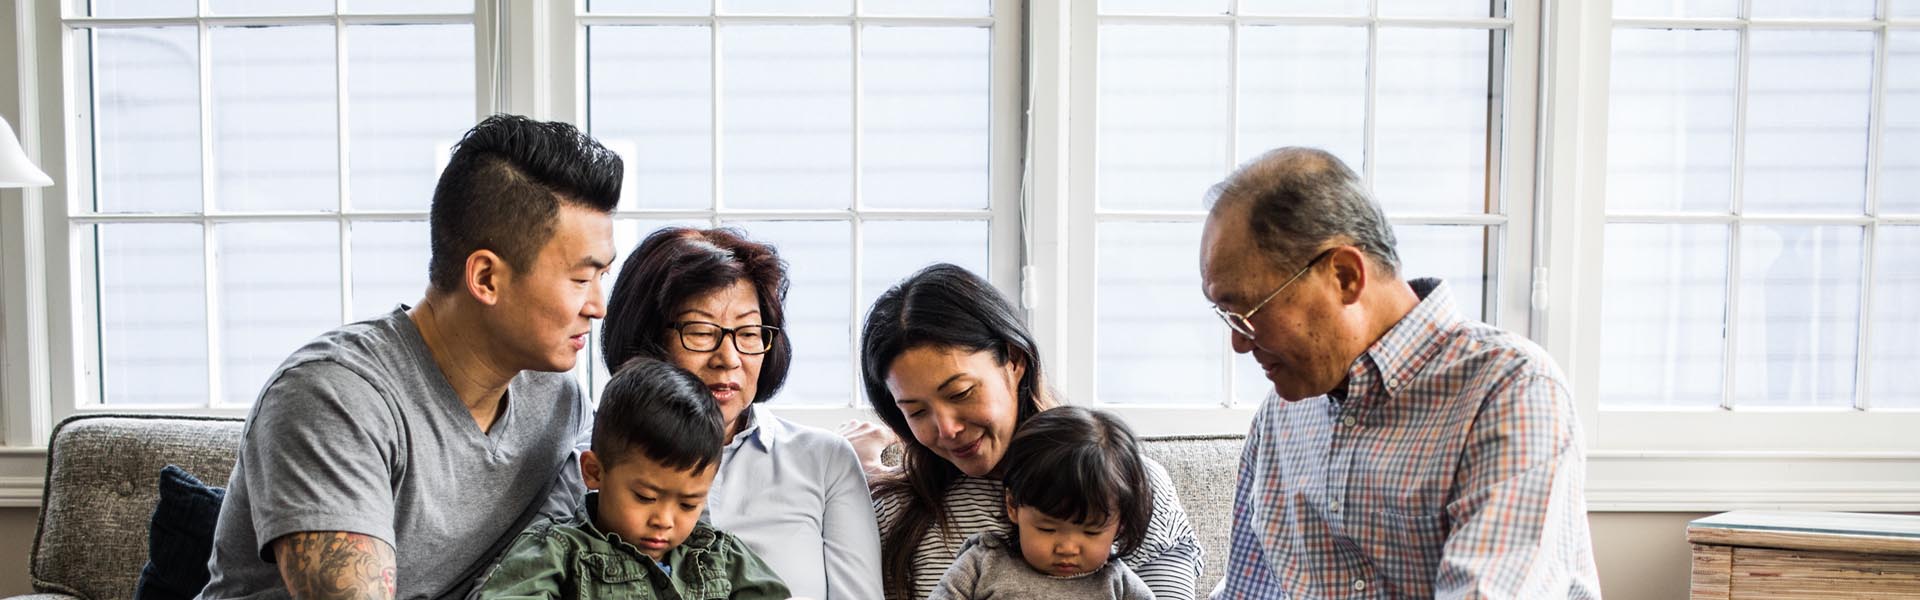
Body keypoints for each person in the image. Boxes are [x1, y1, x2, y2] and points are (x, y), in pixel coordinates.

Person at [197, 114, 622, 600]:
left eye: (602, 277)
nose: (598, 307)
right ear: (485, 278)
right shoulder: (332, 398)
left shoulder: (557, 402)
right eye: (580, 278)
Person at [1199, 147, 1601, 597]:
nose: (1238, 342)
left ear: (1346, 277)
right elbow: (1248, 591)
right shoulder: (1280, 417)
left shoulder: (1511, 391)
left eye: (1248, 311)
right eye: (1227, 317)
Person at [856, 263, 1205, 600]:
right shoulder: (897, 512)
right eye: (917, 411)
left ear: (1015, 359)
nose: (947, 429)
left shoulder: (1126, 483)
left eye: (961, 393)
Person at [599, 227, 882, 600]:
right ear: (647, 336)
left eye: (748, 333)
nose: (729, 359)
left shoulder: (825, 460)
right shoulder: (591, 459)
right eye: (701, 332)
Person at [472, 357, 792, 600]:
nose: (664, 520)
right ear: (594, 472)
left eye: (688, 503)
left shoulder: (721, 556)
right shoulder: (557, 553)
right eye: (645, 497)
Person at [927, 406, 1155, 600]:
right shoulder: (984, 562)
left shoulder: (1118, 583)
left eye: (1090, 532)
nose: (1067, 548)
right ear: (1013, 507)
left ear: (1120, 524)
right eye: (1047, 528)